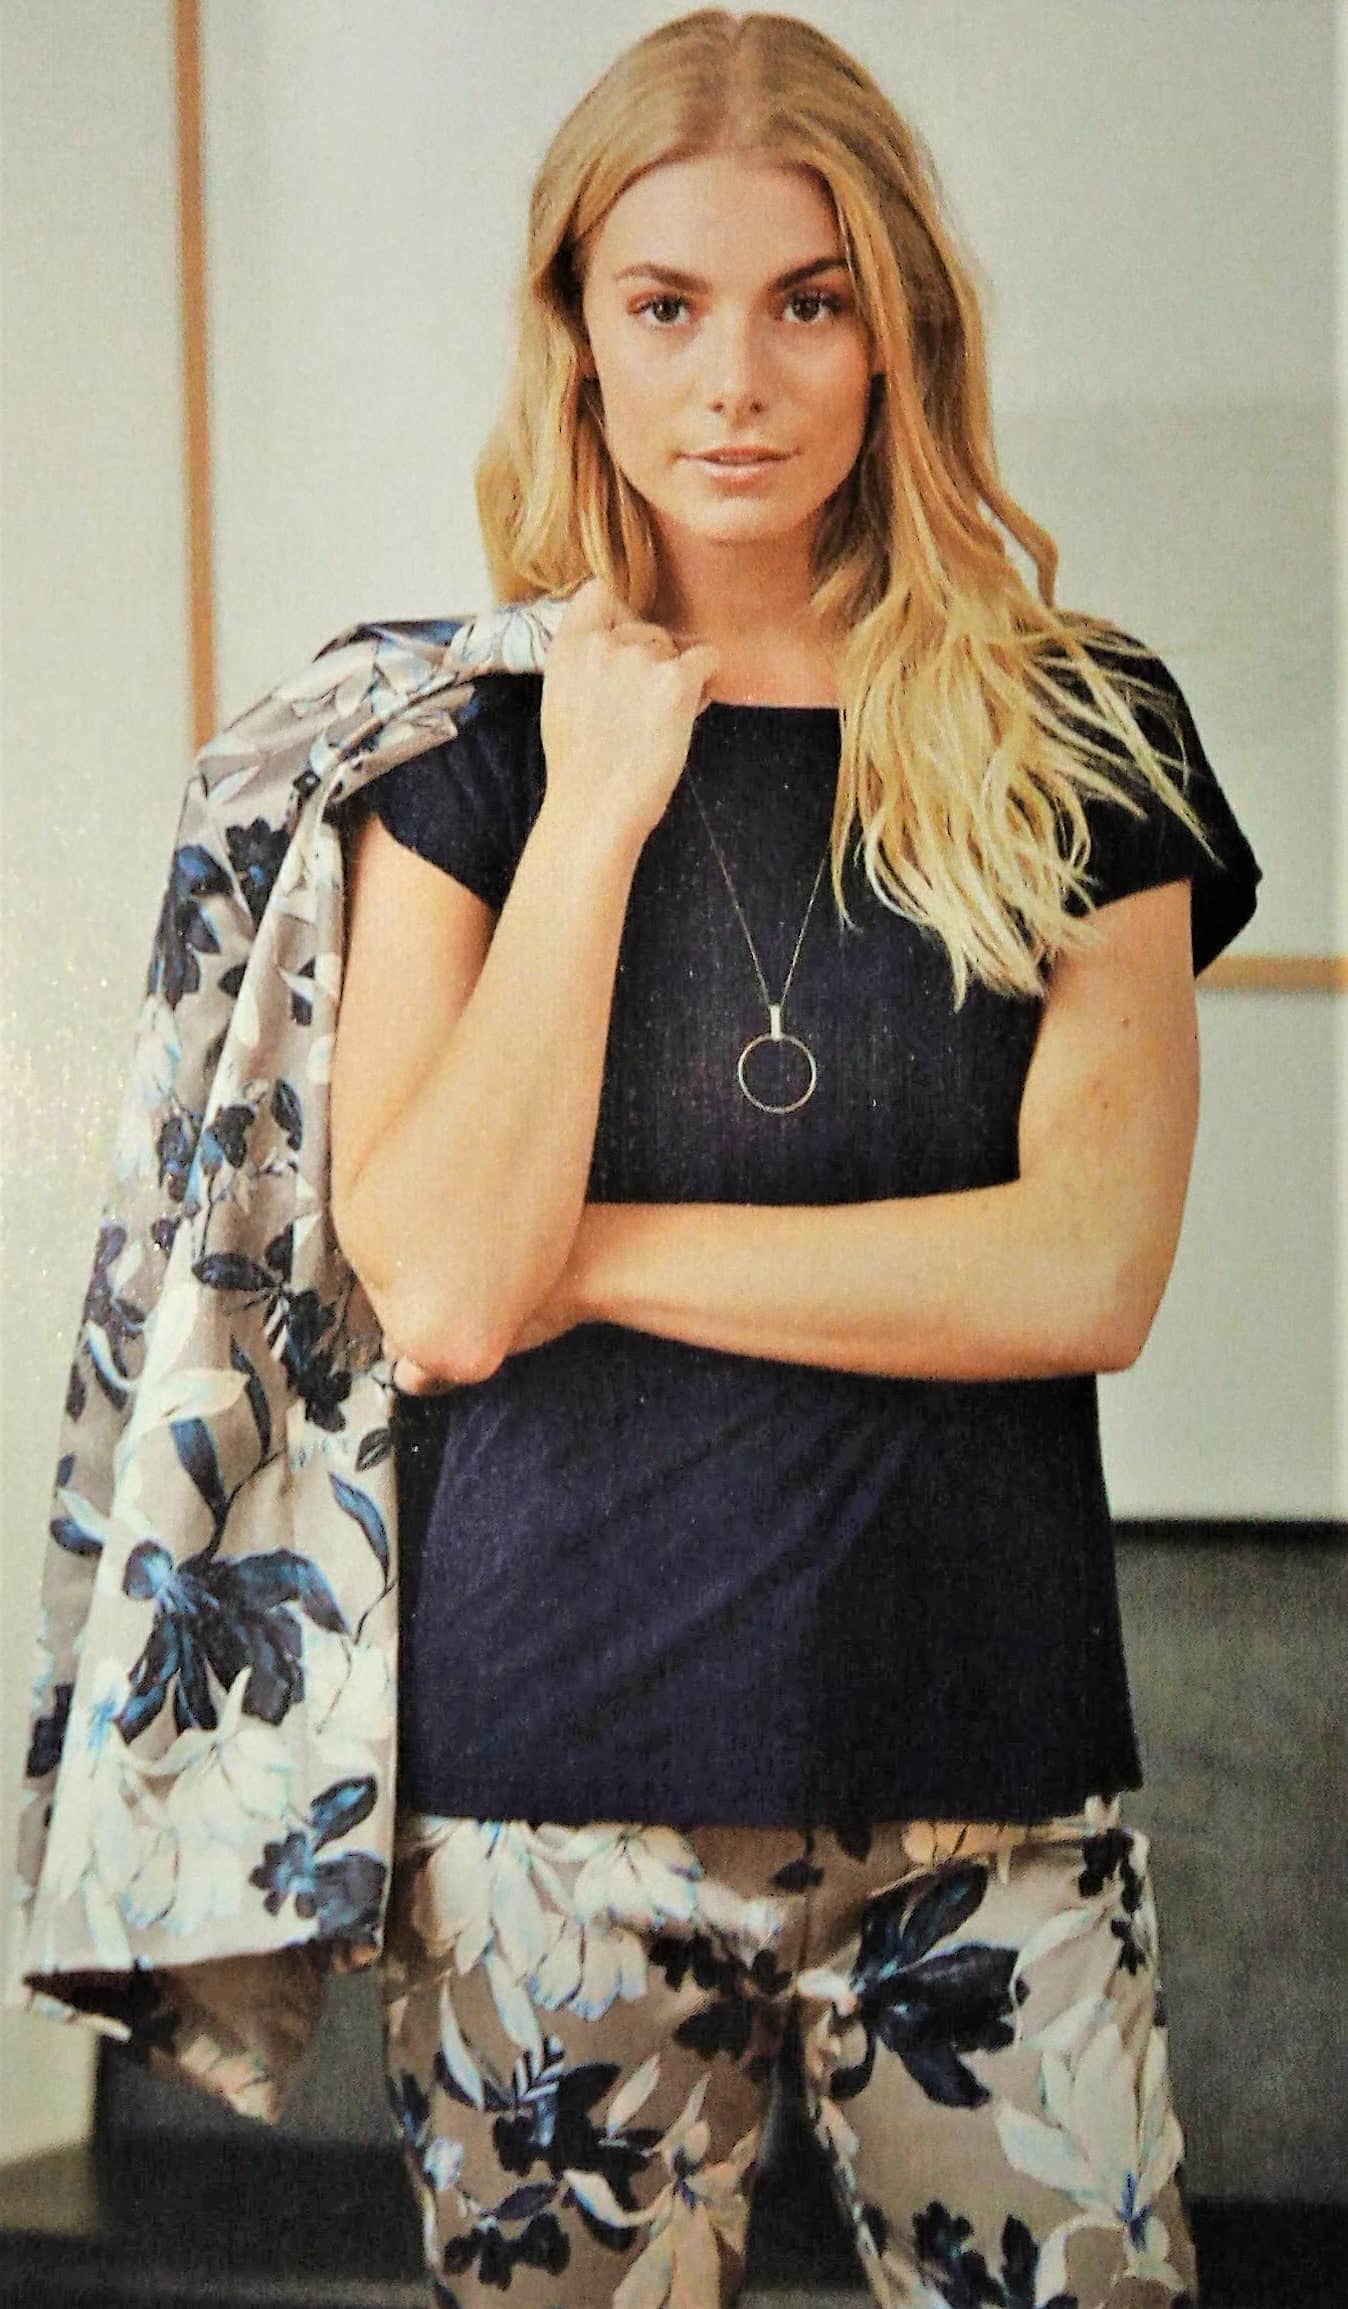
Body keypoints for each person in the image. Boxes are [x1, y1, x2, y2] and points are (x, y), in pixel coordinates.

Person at [328, 11, 1261, 2306]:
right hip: (545, 1795)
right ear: (577, 335)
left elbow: (1081, 1273)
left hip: (986, 1780)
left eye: (805, 302)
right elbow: (436, 1291)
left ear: (893, 330)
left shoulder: (1080, 729)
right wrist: (598, 796)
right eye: (665, 306)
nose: (733, 381)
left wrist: (583, 1252)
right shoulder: (454, 745)